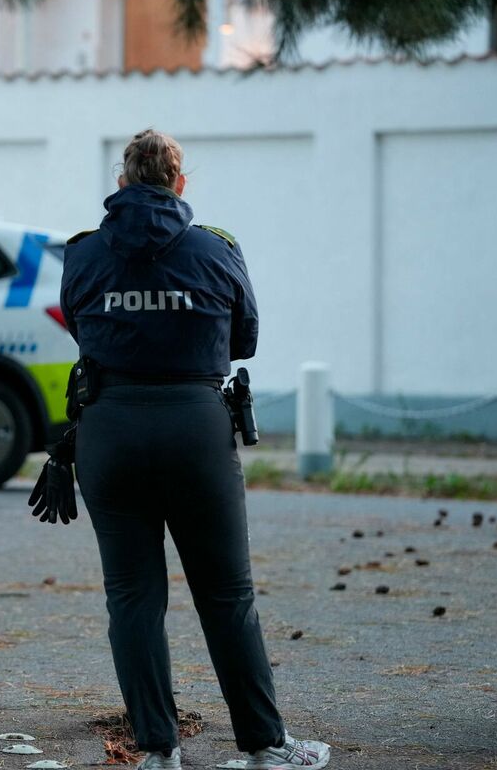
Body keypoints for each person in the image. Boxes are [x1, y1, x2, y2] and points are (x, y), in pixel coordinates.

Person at [56, 130, 331, 770]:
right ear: (181, 184)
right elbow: (246, 337)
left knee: (131, 596)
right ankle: (265, 746)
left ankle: (159, 753)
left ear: (122, 183)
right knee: (227, 593)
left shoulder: (83, 253)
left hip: (110, 428)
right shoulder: (217, 249)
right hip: (196, 429)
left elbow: (78, 323)